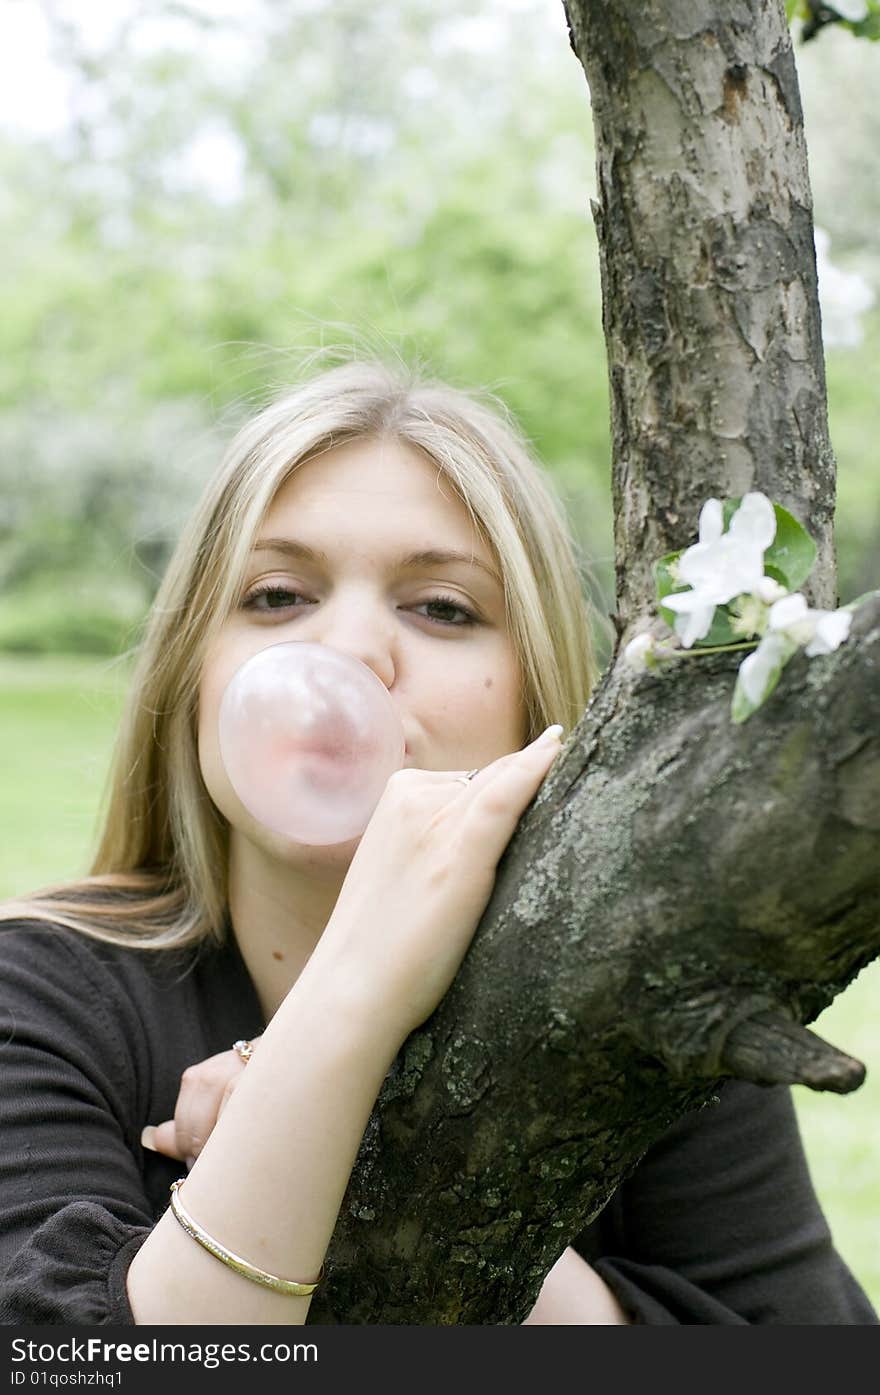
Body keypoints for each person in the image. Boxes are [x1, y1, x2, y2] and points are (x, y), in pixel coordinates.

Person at [0, 356, 875, 1326]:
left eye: (441, 608)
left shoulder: (651, 984)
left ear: (533, 700)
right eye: (278, 596)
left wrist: (367, 1136)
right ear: (192, 676)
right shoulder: (37, 994)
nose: (344, 653)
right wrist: (338, 1025)